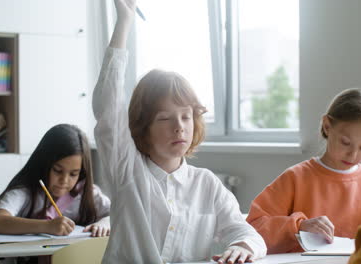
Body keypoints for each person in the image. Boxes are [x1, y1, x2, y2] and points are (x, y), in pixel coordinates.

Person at [92, 0, 266, 263]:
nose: (179, 126)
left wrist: (243, 246)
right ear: (143, 126)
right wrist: (124, 23)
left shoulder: (206, 184)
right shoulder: (127, 170)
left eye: (186, 116)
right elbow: (108, 105)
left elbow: (244, 232)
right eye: (164, 118)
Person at [246, 88, 361, 253]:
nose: (353, 154)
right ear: (327, 126)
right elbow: (252, 229)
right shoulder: (296, 178)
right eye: (345, 142)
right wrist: (298, 227)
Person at [0, 124, 110, 238]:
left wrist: (105, 223)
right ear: (43, 163)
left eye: (74, 174)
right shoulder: (25, 191)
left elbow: (117, 213)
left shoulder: (86, 193)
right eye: (58, 171)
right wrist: (47, 226)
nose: (64, 180)